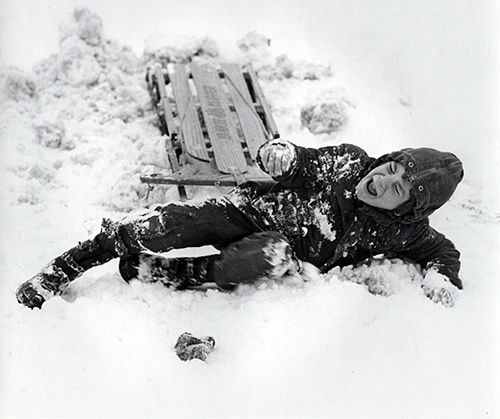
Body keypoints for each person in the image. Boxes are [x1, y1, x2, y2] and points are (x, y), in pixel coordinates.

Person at [16, 139, 464, 309]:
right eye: (391, 168)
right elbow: (302, 161)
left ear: (407, 209)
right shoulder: (346, 163)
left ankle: (174, 274)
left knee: (266, 255)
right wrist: (280, 155)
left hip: (282, 251)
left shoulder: (403, 231)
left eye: (398, 188)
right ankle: (68, 265)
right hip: (249, 210)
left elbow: (442, 251)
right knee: (168, 224)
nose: (383, 180)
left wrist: (441, 277)